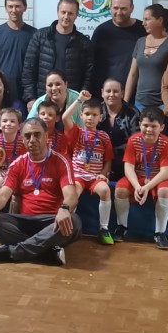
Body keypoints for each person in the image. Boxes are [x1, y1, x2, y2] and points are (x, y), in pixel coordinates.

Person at [0, 117, 81, 265]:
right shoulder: (17, 164)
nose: (32, 140)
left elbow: (71, 195)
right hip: (25, 223)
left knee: (74, 221)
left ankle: (11, 253)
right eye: (27, 136)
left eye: (37, 135)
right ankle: (47, 252)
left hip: (52, 222)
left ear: (46, 136)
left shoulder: (61, 160)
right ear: (22, 139)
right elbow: (2, 195)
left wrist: (65, 209)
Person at [113, 107, 168, 249]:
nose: (149, 130)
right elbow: (128, 166)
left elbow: (165, 172)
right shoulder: (133, 140)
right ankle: (122, 226)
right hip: (137, 178)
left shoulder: (166, 143)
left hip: (157, 179)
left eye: (154, 126)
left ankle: (160, 232)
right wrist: (136, 186)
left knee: (165, 192)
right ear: (139, 124)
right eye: (145, 125)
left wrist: (146, 187)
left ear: (162, 127)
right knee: (120, 190)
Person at [22, 0, 94, 109]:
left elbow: (88, 76)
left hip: (71, 103)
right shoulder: (40, 36)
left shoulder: (84, 43)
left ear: (76, 15)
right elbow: (28, 69)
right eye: (63, 12)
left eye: (70, 13)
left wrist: (81, 100)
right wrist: (30, 98)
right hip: (42, 100)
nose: (66, 17)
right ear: (57, 12)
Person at [62, 91, 115, 245]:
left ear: (100, 117)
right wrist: (79, 100)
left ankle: (103, 228)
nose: (90, 118)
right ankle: (69, 227)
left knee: (105, 190)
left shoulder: (104, 136)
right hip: (77, 175)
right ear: (81, 115)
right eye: (87, 114)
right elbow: (65, 117)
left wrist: (104, 174)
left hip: (94, 177)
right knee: (73, 193)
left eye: (94, 115)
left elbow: (108, 160)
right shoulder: (77, 132)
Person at [125, 4, 168, 111]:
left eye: (147, 19)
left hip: (162, 103)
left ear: (159, 20)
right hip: (140, 102)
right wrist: (125, 102)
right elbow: (133, 74)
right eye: (143, 19)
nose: (143, 23)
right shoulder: (140, 42)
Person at [91, 0, 146, 86]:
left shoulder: (143, 30)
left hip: (137, 92)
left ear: (132, 8)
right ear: (110, 8)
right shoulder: (101, 31)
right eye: (115, 8)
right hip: (107, 94)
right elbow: (92, 63)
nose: (119, 12)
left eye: (123, 9)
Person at [97, 78, 140, 181]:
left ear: (122, 93)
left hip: (124, 157)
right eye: (108, 91)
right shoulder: (96, 110)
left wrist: (112, 152)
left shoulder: (133, 113)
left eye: (115, 91)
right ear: (102, 93)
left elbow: (136, 140)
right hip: (99, 154)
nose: (111, 94)